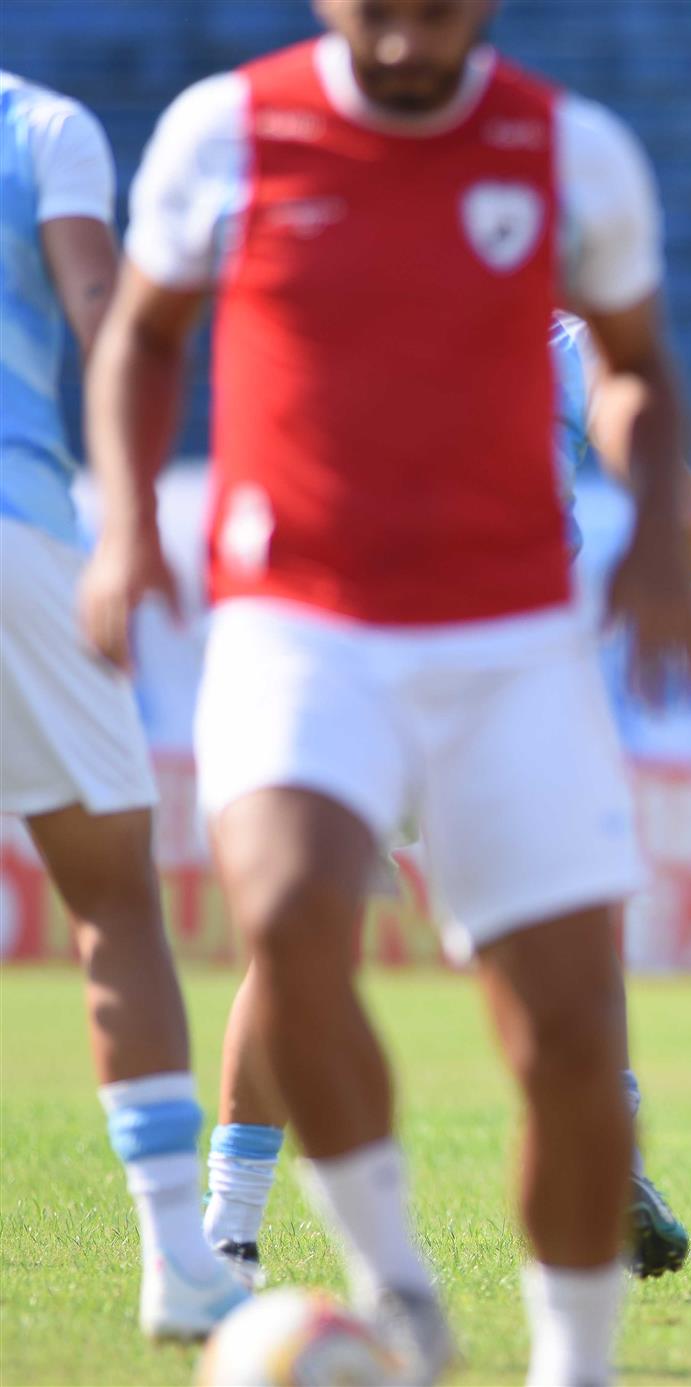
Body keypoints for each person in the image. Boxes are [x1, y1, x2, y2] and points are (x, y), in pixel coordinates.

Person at [82, 2, 691, 1380]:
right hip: (299, 627)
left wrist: (658, 508)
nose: (407, 24)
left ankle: (573, 1356)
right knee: (292, 913)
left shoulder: (569, 154)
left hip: (511, 644)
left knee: (566, 1027)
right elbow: (141, 335)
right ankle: (390, 1282)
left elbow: (635, 368)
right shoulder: (227, 131)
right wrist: (126, 518)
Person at [200, 312, 691, 1290]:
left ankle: (227, 1229)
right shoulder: (560, 338)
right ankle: (612, 1171)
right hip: (493, 669)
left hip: (365, 661)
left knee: (301, 934)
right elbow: (666, 489)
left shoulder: (375, 303)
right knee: (568, 941)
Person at [0, 69, 249, 1342]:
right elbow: (108, 317)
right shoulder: (44, 128)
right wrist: (131, 515)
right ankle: (178, 1259)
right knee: (110, 899)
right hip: (18, 535)